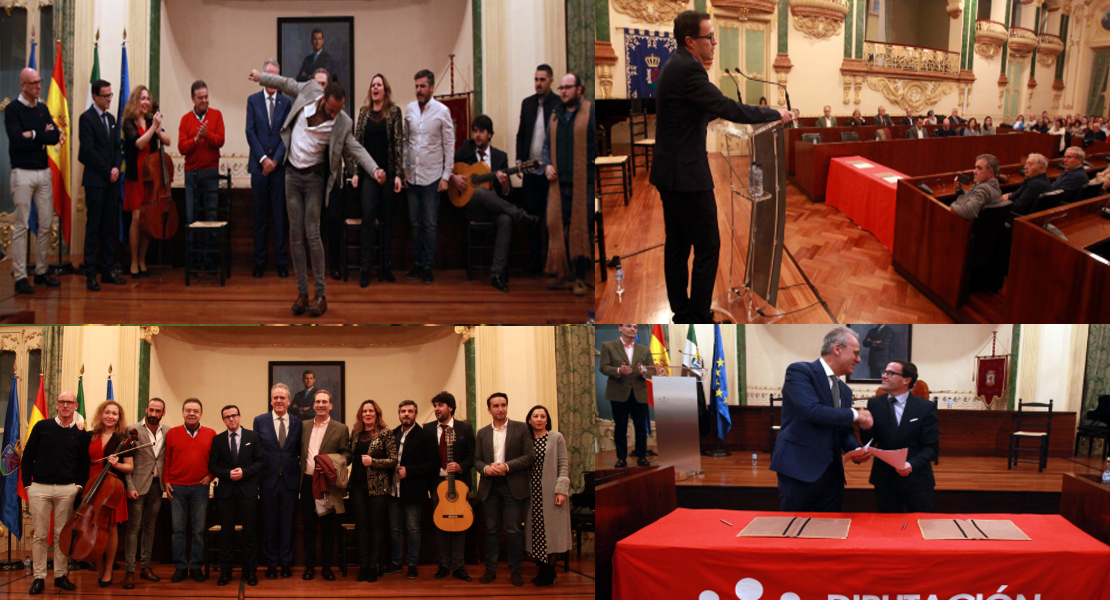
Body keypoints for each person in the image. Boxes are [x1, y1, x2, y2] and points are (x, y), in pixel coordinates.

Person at [651, 10, 789, 323]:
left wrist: (712, 115)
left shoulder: (676, 64)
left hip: (668, 171)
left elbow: (690, 112)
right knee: (708, 245)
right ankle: (699, 315)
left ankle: (683, 311)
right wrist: (773, 114)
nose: (714, 42)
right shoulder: (690, 70)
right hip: (686, 175)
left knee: (677, 244)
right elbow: (726, 106)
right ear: (690, 41)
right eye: (708, 37)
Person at [249, 67, 380, 317]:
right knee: (295, 236)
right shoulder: (309, 90)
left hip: (314, 180)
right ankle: (302, 293)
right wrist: (261, 78)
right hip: (291, 175)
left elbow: (355, 148)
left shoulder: (342, 121)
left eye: (337, 110)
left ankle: (321, 295)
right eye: (331, 109)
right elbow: (286, 82)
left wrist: (374, 170)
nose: (333, 114)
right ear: (323, 98)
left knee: (312, 233)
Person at [769, 326, 873, 512]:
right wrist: (856, 414)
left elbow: (844, 431)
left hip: (832, 477)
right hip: (799, 471)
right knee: (796, 530)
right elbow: (812, 411)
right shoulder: (800, 372)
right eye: (856, 353)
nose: (858, 359)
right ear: (837, 349)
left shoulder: (845, 390)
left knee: (830, 532)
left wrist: (856, 449)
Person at [451, 115, 539, 293]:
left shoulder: (500, 158)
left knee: (505, 220)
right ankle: (521, 216)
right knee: (479, 191)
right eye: (475, 131)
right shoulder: (465, 151)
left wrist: (505, 185)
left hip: (493, 209)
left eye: (481, 131)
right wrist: (454, 178)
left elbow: (507, 194)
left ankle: (497, 274)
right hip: (472, 209)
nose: (477, 135)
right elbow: (447, 166)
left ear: (489, 134)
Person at [21, 391, 88, 595]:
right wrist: (27, 485)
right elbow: (27, 457)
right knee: (40, 535)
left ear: (76, 406)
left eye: (69, 402)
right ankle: (39, 577)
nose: (65, 405)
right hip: (39, 487)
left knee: (61, 535)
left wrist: (77, 486)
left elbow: (84, 463)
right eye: (62, 402)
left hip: (67, 489)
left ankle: (60, 576)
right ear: (56, 405)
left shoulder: (80, 433)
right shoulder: (42, 427)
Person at [5, 67, 61, 294]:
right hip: (22, 173)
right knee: (21, 226)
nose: (39, 86)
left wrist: (34, 134)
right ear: (23, 85)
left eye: (40, 81)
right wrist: (40, 135)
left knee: (46, 224)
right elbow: (17, 141)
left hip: (43, 172)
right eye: (35, 83)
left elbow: (55, 136)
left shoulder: (42, 108)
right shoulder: (12, 110)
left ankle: (41, 272)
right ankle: (20, 276)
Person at [858, 361, 939, 512]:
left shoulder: (925, 407)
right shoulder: (875, 404)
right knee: (887, 529)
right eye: (884, 371)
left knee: (921, 526)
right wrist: (866, 426)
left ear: (906, 380)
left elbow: (931, 447)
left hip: (917, 479)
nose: (884, 376)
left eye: (890, 373)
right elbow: (870, 441)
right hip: (885, 479)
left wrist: (911, 465)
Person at [543, 73, 595, 296]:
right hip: (558, 185)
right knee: (556, 227)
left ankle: (580, 278)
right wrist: (547, 164)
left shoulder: (589, 113)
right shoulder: (555, 116)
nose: (563, 91)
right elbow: (546, 146)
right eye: (561, 88)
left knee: (580, 229)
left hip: (582, 185)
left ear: (579, 90)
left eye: (568, 87)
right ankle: (561, 273)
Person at [475, 393, 534, 586]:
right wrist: (486, 468)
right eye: (496, 406)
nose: (500, 408)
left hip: (513, 486)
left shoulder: (522, 428)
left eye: (503, 405)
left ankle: (516, 570)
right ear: (489, 409)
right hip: (489, 487)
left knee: (514, 531)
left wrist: (506, 466)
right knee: (491, 531)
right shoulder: (482, 432)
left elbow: (528, 456)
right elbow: (476, 460)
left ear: (507, 406)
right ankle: (490, 569)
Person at [350, 73, 403, 287]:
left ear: (385, 90)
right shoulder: (363, 114)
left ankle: (385, 267)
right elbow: (356, 144)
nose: (375, 87)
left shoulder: (394, 113)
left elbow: (399, 144)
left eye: (379, 84)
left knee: (388, 222)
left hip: (388, 175)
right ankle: (365, 269)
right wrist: (355, 171)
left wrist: (398, 174)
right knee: (368, 219)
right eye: (373, 84)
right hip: (369, 176)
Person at [403, 69, 455, 285]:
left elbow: (449, 145)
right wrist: (404, 169)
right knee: (415, 224)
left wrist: (446, 176)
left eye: (422, 86)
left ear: (431, 88)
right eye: (416, 86)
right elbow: (406, 141)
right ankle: (417, 263)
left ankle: (428, 267)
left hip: (433, 178)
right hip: (413, 177)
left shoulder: (443, 111)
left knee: (430, 224)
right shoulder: (409, 110)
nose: (419, 90)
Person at [208, 405, 265, 586]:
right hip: (226, 493)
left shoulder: (253, 437)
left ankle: (250, 572)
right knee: (227, 535)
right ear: (223, 420)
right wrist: (228, 474)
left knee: (250, 533)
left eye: (234, 415)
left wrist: (245, 472)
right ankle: (226, 572)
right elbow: (213, 466)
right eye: (227, 417)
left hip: (247, 492)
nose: (231, 419)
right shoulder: (218, 440)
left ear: (239, 416)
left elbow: (261, 461)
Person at [246, 59, 292, 279]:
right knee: (260, 218)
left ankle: (282, 262)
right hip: (258, 168)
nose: (272, 80)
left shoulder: (287, 103)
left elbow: (288, 134)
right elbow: (250, 132)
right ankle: (259, 262)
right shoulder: (252, 101)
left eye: (276, 77)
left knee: (280, 217)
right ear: (263, 78)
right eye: (268, 76)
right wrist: (264, 159)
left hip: (280, 170)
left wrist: (274, 160)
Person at [78, 79, 125, 291]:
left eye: (111, 95)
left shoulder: (112, 119)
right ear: (95, 96)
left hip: (112, 180)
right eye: (105, 96)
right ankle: (90, 273)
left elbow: (117, 147)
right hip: (96, 182)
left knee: (108, 228)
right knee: (94, 227)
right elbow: (87, 151)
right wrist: (107, 171)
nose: (109, 99)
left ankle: (107, 270)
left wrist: (116, 167)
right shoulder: (86, 119)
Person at [299, 389, 351, 580]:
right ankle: (310, 566)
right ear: (313, 405)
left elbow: (347, 454)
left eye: (324, 402)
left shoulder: (341, 428)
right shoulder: (303, 426)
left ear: (331, 405)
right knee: (309, 528)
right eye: (317, 402)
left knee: (329, 528)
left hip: (328, 485)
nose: (321, 405)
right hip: (307, 483)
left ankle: (327, 567)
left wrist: (330, 462)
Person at [121, 85, 171, 278]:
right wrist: (152, 128)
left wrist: (158, 130)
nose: (146, 103)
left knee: (149, 218)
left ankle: (142, 260)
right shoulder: (129, 122)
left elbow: (167, 141)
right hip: (136, 175)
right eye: (142, 99)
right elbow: (139, 143)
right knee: (136, 219)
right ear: (136, 100)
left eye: (148, 99)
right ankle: (133, 261)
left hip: (151, 177)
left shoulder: (152, 120)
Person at [164, 398, 216, 583]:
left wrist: (210, 476)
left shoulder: (211, 433)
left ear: (201, 413)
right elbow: (167, 459)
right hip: (176, 488)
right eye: (188, 410)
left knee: (198, 531)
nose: (191, 413)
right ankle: (179, 567)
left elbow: (215, 461)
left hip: (200, 488)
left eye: (195, 410)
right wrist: (166, 481)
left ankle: (195, 567)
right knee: (178, 530)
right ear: (183, 412)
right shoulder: (172, 433)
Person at [253, 383, 302, 579]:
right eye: (276, 398)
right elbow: (257, 451)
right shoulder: (260, 421)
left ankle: (286, 563)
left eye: (283, 398)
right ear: (271, 400)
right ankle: (272, 564)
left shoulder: (298, 423)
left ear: (289, 401)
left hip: (290, 481)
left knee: (288, 525)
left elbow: (300, 450)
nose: (279, 401)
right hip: (268, 481)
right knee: (270, 525)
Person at [85, 400, 135, 588]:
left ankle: (108, 570)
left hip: (113, 488)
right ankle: (98, 567)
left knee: (112, 528)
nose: (110, 416)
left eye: (114, 413)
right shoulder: (89, 436)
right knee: (94, 528)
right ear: (101, 414)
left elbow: (129, 467)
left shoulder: (123, 439)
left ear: (119, 417)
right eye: (107, 412)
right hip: (92, 486)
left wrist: (116, 464)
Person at [347, 399, 397, 583]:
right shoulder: (356, 433)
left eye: (371, 411)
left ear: (377, 414)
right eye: (364, 411)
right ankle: (363, 565)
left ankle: (372, 566)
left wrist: (373, 462)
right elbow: (349, 456)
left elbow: (393, 460)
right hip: (357, 488)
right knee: (362, 527)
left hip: (378, 488)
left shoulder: (386, 434)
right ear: (361, 414)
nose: (367, 414)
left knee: (376, 528)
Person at [387, 400, 438, 579]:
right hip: (393, 492)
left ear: (415, 414)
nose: (406, 414)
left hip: (413, 492)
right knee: (394, 529)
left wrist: (410, 471)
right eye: (402, 411)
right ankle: (395, 563)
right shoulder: (392, 434)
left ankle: (412, 564)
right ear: (399, 414)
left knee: (413, 529)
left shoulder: (425, 436)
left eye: (409, 411)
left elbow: (433, 465)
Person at [516, 64, 560, 274]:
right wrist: (518, 160)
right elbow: (521, 134)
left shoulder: (559, 104)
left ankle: (552, 263)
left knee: (551, 220)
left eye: (542, 79)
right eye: (536, 79)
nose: (538, 83)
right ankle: (534, 262)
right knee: (532, 219)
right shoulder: (527, 104)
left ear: (551, 81)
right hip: (530, 171)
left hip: (551, 172)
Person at [122, 398, 169, 590]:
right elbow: (127, 462)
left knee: (150, 528)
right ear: (146, 410)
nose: (154, 414)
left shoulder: (167, 431)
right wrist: (129, 486)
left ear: (163, 413)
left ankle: (146, 567)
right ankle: (129, 571)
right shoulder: (132, 430)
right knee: (134, 529)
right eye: (151, 409)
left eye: (158, 411)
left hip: (157, 488)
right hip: (137, 487)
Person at [430, 391, 475, 582]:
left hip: (459, 484)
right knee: (440, 525)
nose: (437, 409)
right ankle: (443, 566)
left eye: (440, 405)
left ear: (451, 408)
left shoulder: (465, 429)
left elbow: (473, 456)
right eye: (435, 405)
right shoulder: (428, 429)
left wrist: (460, 466)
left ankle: (458, 566)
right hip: (438, 485)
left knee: (459, 524)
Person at [523, 405, 569, 587]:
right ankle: (542, 571)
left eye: (543, 416)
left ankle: (550, 572)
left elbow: (563, 464)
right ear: (529, 419)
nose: (539, 419)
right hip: (531, 494)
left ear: (547, 420)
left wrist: (561, 490)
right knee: (537, 533)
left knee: (552, 533)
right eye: (536, 416)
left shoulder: (556, 437)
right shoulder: (526, 440)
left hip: (552, 493)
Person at [599, 324, 654, 467]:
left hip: (639, 393)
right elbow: (604, 367)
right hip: (618, 392)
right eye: (629, 326)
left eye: (635, 327)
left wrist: (644, 372)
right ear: (620, 328)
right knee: (620, 426)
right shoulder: (608, 346)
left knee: (641, 427)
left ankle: (642, 456)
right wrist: (618, 370)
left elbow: (652, 371)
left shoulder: (644, 350)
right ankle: (621, 458)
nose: (633, 329)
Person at [178, 80, 225, 232]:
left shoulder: (216, 115)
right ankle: (192, 255)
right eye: (200, 98)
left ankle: (209, 256)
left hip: (211, 172)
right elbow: (182, 148)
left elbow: (220, 141)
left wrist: (207, 135)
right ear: (193, 99)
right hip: (192, 174)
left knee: (211, 217)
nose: (204, 100)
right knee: (192, 217)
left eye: (206, 97)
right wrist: (196, 140)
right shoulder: (185, 120)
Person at [950, 154, 1003, 221]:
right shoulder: (995, 187)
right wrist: (959, 190)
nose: (974, 171)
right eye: (975, 168)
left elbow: (968, 212)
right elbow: (973, 197)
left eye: (979, 168)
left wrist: (952, 205)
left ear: (990, 172)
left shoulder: (982, 190)